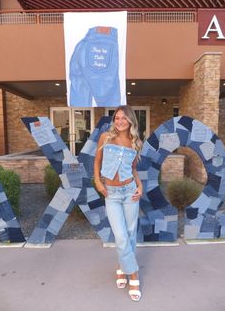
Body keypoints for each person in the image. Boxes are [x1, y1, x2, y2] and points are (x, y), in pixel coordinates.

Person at [94, 105, 143, 302]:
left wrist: (140, 187)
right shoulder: (105, 137)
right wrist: (97, 181)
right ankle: (134, 275)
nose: (120, 121)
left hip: (130, 191)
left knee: (130, 234)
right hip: (112, 194)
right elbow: (97, 161)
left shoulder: (135, 142)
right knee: (121, 236)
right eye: (117, 118)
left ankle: (122, 268)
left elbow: (133, 169)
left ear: (131, 120)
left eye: (124, 118)